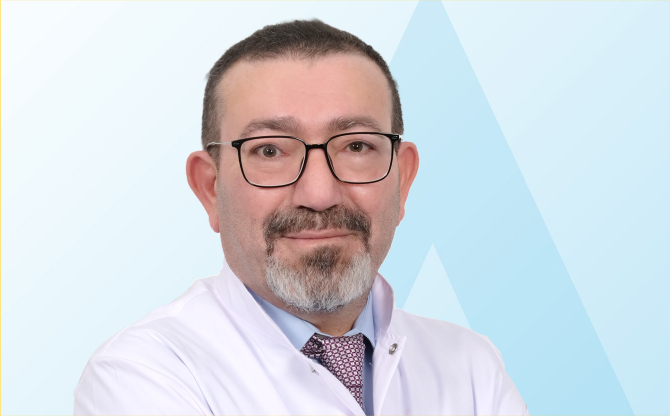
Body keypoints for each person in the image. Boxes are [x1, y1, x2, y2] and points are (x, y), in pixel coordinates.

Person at [74, 20, 528, 415]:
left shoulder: (471, 367)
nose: (319, 194)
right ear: (210, 188)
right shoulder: (141, 374)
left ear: (402, 180)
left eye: (356, 146)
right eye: (270, 151)